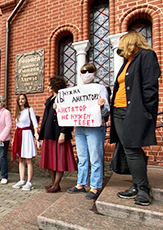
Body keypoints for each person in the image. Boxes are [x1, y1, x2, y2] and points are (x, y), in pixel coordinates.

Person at [110, 31, 161, 206]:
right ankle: (137, 183)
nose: (120, 49)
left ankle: (143, 190)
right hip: (118, 111)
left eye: (122, 44)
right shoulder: (127, 62)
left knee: (132, 148)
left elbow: (150, 87)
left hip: (133, 111)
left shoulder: (146, 56)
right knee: (128, 148)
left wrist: (146, 111)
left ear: (131, 42)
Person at [67, 63, 110, 200]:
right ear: (80, 73)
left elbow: (106, 110)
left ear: (95, 73)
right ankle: (81, 184)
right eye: (83, 71)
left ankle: (95, 186)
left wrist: (101, 106)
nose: (86, 73)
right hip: (80, 127)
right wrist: (59, 106)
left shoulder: (100, 88)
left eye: (89, 71)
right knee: (82, 156)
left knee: (95, 157)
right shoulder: (77, 90)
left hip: (95, 127)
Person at [38, 76, 77, 193]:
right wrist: (42, 135)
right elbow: (45, 119)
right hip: (49, 134)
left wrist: (63, 132)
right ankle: (54, 182)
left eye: (50, 85)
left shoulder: (64, 98)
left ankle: (56, 184)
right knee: (50, 161)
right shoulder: (50, 99)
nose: (48, 87)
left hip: (58, 134)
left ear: (55, 86)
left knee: (59, 161)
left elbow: (68, 116)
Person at [11, 94, 39, 191]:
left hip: (26, 135)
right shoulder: (18, 112)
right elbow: (16, 126)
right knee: (21, 159)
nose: (21, 101)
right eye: (19, 99)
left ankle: (29, 182)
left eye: (23, 99)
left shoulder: (29, 110)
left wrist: (36, 134)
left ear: (26, 100)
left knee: (28, 159)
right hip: (19, 135)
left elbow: (35, 123)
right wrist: (14, 138)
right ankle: (22, 180)